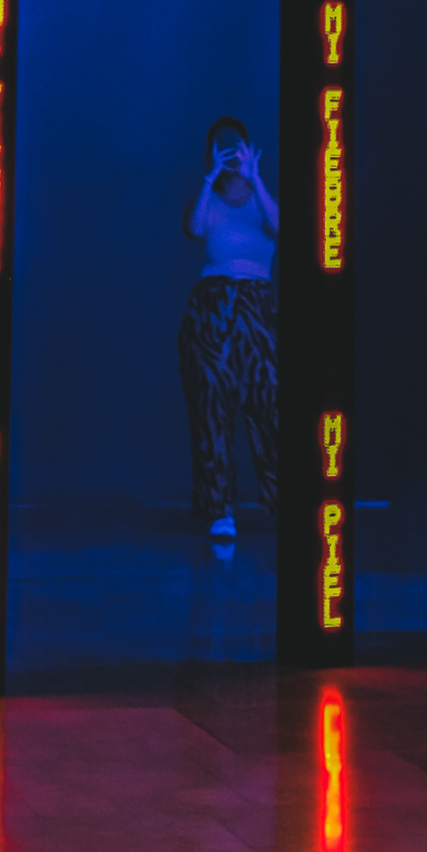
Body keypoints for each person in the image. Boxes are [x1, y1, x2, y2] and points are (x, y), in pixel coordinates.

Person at [181, 120, 279, 555]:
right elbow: (195, 229)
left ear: (248, 149)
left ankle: (279, 498)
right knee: (211, 407)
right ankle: (219, 509)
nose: (231, 155)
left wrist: (256, 178)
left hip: (257, 306)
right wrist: (208, 180)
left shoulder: (262, 199)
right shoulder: (209, 200)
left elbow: (280, 225)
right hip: (211, 308)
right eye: (222, 149)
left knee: (270, 401)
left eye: (237, 147)